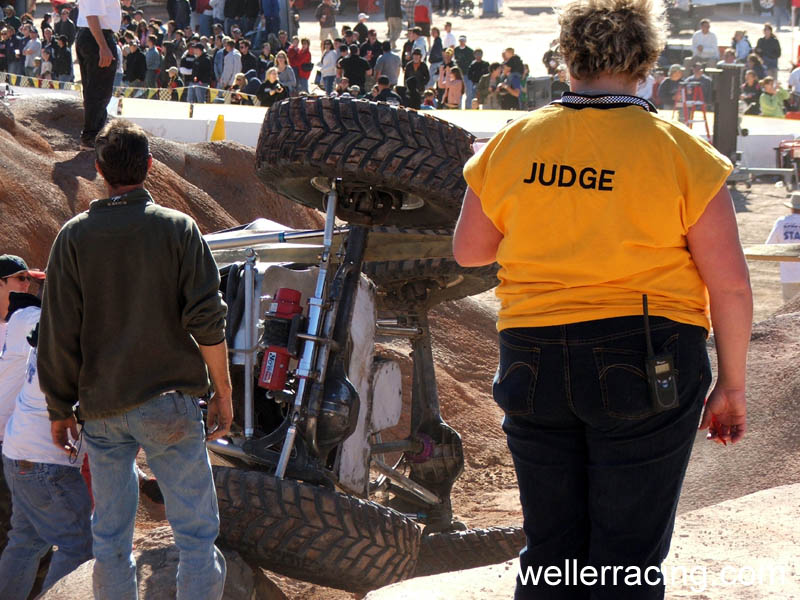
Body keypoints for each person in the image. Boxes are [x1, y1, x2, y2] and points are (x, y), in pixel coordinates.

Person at [453, 0, 751, 598]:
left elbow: (469, 252)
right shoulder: (680, 152)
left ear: (567, 59)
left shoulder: (514, 141)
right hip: (648, 353)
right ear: (647, 62)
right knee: (627, 558)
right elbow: (732, 284)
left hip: (532, 354)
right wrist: (732, 386)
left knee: (551, 553)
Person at [39, 120, 232, 599]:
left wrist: (58, 408)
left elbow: (58, 333)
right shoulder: (178, 229)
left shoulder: (73, 237)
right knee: (196, 538)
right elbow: (208, 321)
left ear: (99, 170)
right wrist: (223, 392)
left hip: (103, 407)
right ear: (149, 166)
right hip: (170, 403)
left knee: (109, 541)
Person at [0, 293, 94, 600]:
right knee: (78, 544)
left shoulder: (51, 329)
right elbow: (87, 405)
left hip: (20, 452)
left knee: (26, 542)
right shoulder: (76, 337)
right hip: (46, 461)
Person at [75, 0, 120, 149]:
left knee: (96, 90)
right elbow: (91, 16)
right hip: (97, 36)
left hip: (93, 35)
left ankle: (94, 134)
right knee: (99, 90)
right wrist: (103, 46)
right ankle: (91, 136)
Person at [765, 194, 800, 301]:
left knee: (790, 314)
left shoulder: (782, 222)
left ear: (791, 208)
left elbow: (769, 246)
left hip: (788, 276)